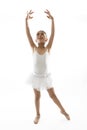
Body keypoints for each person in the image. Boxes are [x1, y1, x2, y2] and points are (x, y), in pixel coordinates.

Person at [25, 9, 70, 124]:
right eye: (38, 34)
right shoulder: (33, 47)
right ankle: (38, 114)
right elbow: (28, 34)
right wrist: (26, 21)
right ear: (36, 39)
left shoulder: (48, 48)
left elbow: (53, 34)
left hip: (45, 77)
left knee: (53, 95)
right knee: (37, 96)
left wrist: (53, 20)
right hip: (35, 77)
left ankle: (63, 110)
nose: (40, 35)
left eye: (42, 35)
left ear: (46, 39)